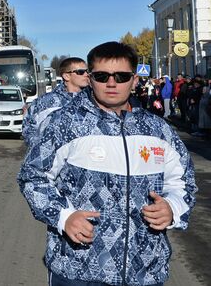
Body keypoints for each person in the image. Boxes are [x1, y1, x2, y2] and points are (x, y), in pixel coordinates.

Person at [18, 42, 197, 286]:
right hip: (78, 269)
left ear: (134, 80)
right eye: (102, 76)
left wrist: (172, 208)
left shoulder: (159, 130)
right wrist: (63, 217)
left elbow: (184, 181)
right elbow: (33, 177)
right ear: (90, 79)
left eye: (121, 76)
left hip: (145, 271)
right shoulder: (65, 124)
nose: (111, 83)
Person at [22, 57, 89, 148]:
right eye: (81, 72)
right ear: (66, 76)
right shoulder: (44, 102)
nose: (86, 74)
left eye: (87, 71)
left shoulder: (94, 100)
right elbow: (28, 130)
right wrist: (44, 150)